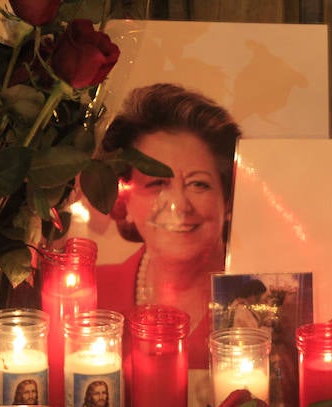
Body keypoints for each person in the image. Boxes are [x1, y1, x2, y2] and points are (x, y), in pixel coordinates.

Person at [96, 83, 242, 373]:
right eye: (157, 183)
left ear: (227, 200)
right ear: (125, 197)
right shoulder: (91, 296)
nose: (179, 205)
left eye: (198, 184)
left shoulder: (264, 301)